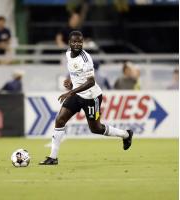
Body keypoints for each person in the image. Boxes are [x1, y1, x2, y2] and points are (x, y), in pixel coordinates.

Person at [39, 31, 133, 165]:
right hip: (77, 94)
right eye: (74, 42)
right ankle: (53, 157)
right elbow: (76, 73)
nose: (77, 44)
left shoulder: (86, 58)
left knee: (96, 128)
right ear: (69, 43)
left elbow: (91, 82)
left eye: (80, 42)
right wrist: (71, 82)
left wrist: (70, 92)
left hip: (92, 97)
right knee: (60, 120)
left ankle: (126, 134)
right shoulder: (67, 54)